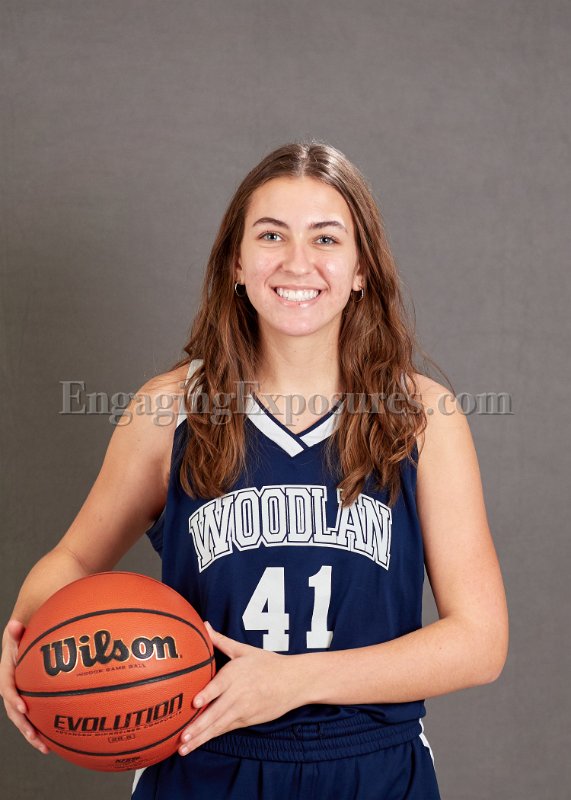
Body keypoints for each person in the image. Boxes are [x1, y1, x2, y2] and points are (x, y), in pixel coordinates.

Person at [1, 141, 509, 799]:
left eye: (325, 238)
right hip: (205, 760)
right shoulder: (169, 410)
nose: (297, 262)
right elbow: (71, 559)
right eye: (271, 235)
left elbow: (479, 641)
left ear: (361, 268)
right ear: (236, 263)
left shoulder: (421, 417)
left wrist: (297, 679)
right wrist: (25, 640)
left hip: (371, 769)